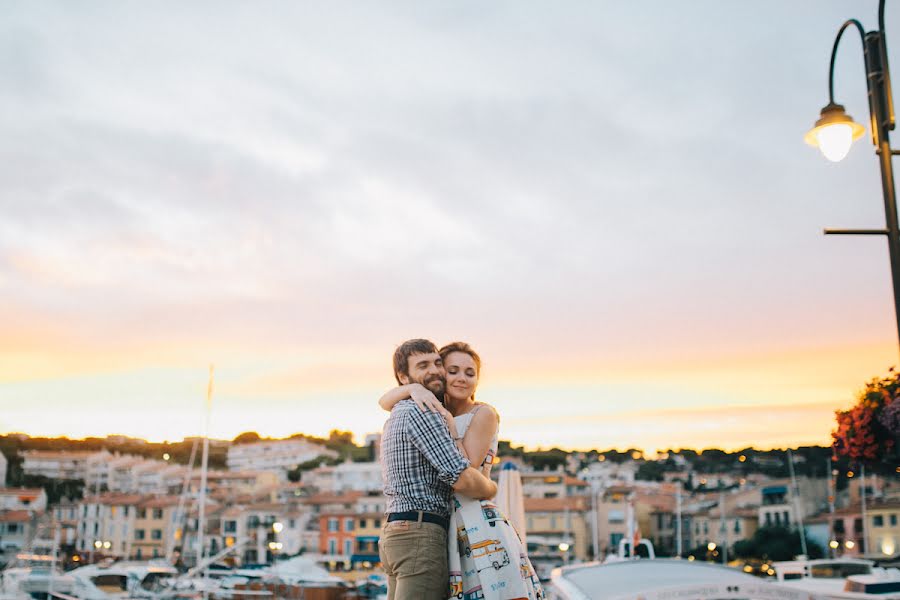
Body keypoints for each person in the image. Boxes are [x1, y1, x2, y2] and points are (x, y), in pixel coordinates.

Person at [380, 341, 544, 600]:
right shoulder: (428, 408)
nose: (460, 378)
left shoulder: (481, 413)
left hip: (472, 521)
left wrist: (491, 486)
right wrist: (412, 388)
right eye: (452, 370)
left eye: (470, 373)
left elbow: (464, 468)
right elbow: (383, 400)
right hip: (439, 524)